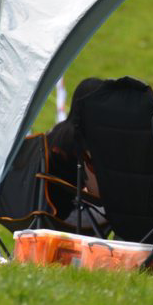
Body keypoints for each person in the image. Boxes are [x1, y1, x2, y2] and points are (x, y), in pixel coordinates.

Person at [46, 77, 109, 231]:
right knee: (117, 212)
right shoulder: (84, 139)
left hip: (38, 210)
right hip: (65, 215)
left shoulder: (56, 131)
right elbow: (97, 195)